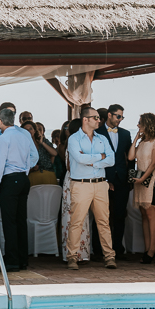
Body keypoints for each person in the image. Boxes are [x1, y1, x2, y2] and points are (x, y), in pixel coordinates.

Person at [64, 106, 117, 270]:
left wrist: (90, 159)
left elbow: (112, 160)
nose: (99, 120)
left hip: (101, 183)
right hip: (81, 184)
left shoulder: (102, 138)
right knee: (76, 222)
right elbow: (79, 159)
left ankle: (109, 257)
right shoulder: (74, 139)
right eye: (95, 117)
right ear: (85, 119)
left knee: (104, 222)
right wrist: (100, 157)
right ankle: (72, 257)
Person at [0, 108, 39, 271]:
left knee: (9, 221)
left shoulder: (4, 138)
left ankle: (12, 260)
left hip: (10, 180)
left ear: (0, 121)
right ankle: (22, 258)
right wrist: (24, 173)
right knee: (20, 220)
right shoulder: (24, 136)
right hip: (23, 179)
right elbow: (30, 158)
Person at [94, 104, 132, 258]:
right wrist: (104, 179)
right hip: (102, 180)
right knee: (101, 216)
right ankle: (98, 250)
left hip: (121, 180)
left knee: (120, 216)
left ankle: (118, 248)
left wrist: (129, 179)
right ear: (109, 115)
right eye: (118, 116)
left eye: (122, 117)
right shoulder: (97, 132)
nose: (120, 119)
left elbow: (130, 158)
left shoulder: (125, 134)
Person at [128, 113, 155, 264]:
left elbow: (154, 164)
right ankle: (146, 248)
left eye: (140, 123)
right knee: (144, 214)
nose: (138, 125)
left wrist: (143, 179)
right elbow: (131, 157)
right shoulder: (143, 141)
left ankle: (152, 250)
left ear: (148, 124)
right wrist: (136, 138)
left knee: (151, 215)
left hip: (151, 181)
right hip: (140, 181)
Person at [60, 119, 91, 261]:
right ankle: (78, 253)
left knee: (75, 216)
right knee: (77, 215)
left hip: (76, 179)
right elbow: (69, 166)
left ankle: (76, 252)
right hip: (76, 179)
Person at [22, 120, 57, 186]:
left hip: (48, 174)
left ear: (34, 130)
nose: (29, 131)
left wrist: (42, 143)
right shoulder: (21, 145)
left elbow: (54, 153)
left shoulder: (43, 140)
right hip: (32, 175)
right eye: (26, 130)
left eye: (31, 129)